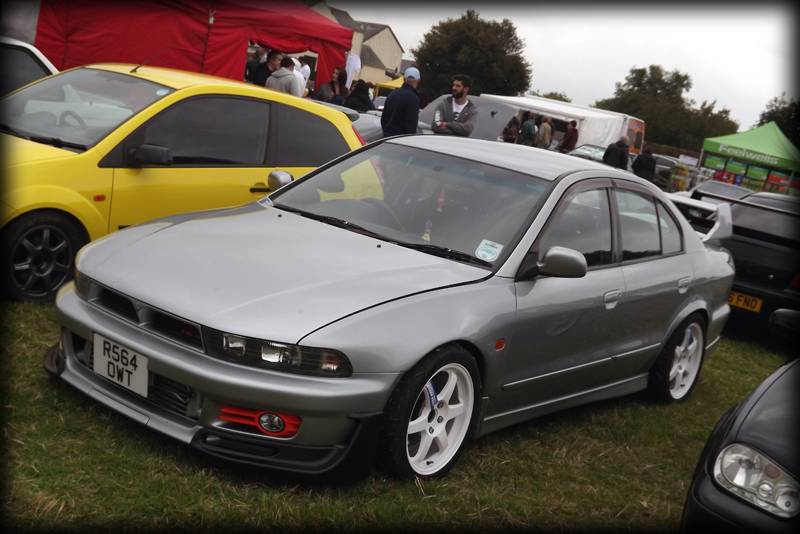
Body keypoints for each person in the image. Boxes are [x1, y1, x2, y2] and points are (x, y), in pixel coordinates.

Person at [381, 67, 421, 137]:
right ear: (418, 80)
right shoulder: (414, 99)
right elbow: (411, 125)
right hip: (401, 141)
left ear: (403, 79)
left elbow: (383, 119)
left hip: (386, 139)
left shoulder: (392, 94)